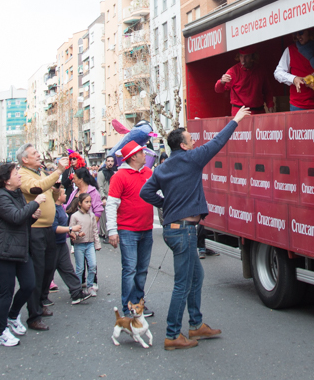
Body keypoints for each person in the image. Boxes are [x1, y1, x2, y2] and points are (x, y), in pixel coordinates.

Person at [140, 106, 249, 350]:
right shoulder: (191, 159)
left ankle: (196, 324)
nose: (195, 140)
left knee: (196, 276)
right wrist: (236, 119)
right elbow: (217, 142)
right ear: (184, 146)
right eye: (191, 139)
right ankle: (171, 334)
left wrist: (165, 204)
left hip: (174, 229)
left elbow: (145, 191)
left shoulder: (164, 166)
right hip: (184, 231)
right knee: (183, 282)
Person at [0, 162, 43, 347]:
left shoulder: (17, 193)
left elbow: (21, 218)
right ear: (6, 180)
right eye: (15, 173)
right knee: (7, 291)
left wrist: (32, 215)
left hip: (20, 248)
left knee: (29, 285)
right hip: (3, 251)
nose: (19, 176)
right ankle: (1, 331)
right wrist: (36, 203)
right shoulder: (0, 197)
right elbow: (15, 217)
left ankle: (13, 315)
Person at [16, 144, 65, 331]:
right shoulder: (23, 175)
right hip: (34, 228)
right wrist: (58, 171)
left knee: (48, 268)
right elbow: (36, 189)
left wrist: (55, 188)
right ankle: (33, 314)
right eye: (35, 153)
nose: (39, 155)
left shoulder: (41, 172)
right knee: (36, 271)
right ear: (24, 159)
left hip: (47, 228)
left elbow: (50, 193)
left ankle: (41, 301)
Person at [106, 141, 155, 318]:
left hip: (147, 228)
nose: (145, 155)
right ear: (134, 156)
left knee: (142, 269)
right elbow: (111, 204)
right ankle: (127, 308)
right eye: (142, 152)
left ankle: (138, 303)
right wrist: (112, 230)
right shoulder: (119, 177)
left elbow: (160, 193)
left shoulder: (149, 173)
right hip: (127, 230)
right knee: (130, 269)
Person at [274, 28, 314, 111]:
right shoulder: (290, 50)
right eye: (295, 33)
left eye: (301, 32)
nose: (298, 36)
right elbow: (278, 72)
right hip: (298, 105)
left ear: (310, 32)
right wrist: (294, 79)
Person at [44, 185, 84, 305]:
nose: (66, 195)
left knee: (68, 269)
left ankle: (77, 293)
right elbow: (54, 228)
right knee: (48, 272)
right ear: (57, 196)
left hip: (61, 243)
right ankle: (41, 297)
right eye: (64, 193)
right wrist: (70, 228)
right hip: (53, 244)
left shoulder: (61, 207)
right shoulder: (52, 209)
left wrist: (69, 233)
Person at [215, 47, 273, 114]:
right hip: (239, 112)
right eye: (241, 56)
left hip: (258, 111)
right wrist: (221, 81)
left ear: (252, 56)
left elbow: (267, 91)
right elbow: (218, 90)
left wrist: (270, 105)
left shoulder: (260, 70)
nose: (243, 60)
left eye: (247, 56)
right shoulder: (233, 71)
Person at [68, 193, 99, 302]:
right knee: (80, 268)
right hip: (79, 244)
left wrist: (97, 244)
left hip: (90, 243)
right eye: (86, 202)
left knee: (93, 265)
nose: (89, 204)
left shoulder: (91, 215)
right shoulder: (75, 216)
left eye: (90, 202)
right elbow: (71, 231)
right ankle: (77, 288)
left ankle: (90, 285)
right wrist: (77, 235)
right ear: (80, 203)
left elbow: (95, 230)